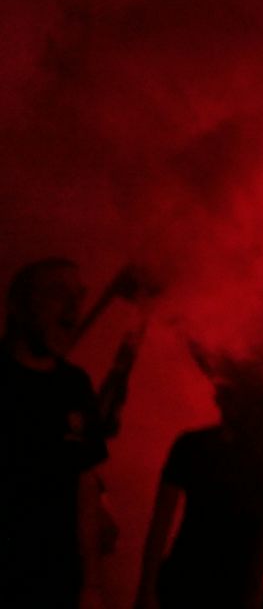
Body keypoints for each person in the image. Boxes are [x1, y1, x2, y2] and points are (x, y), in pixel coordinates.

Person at [134, 353, 263, 609]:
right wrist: (147, 589)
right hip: (192, 581)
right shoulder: (193, 446)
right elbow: (160, 523)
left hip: (219, 586)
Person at [1, 258, 108, 609]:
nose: (74, 307)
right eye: (58, 293)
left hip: (56, 581)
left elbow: (86, 489)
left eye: (79, 296)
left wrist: (91, 585)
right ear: (18, 305)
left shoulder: (75, 386)